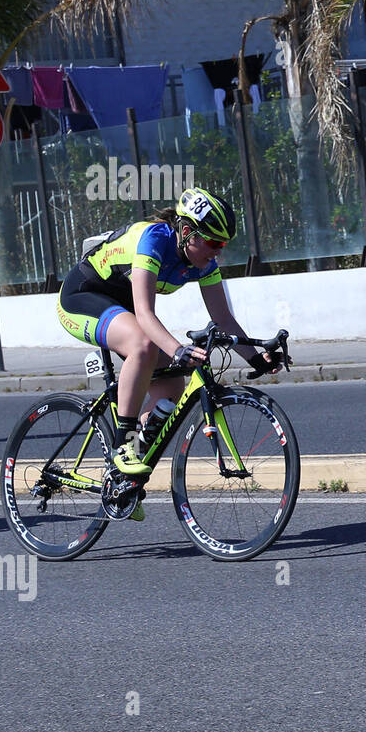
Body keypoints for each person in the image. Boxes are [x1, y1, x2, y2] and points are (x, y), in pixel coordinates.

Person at [56, 188, 276, 513]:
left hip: (121, 308)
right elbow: (144, 314)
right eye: (213, 243)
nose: (217, 252)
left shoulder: (202, 261)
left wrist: (257, 356)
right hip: (82, 297)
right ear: (188, 232)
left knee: (172, 383)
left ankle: (120, 477)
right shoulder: (154, 240)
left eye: (223, 245)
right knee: (143, 345)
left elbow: (223, 318)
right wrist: (177, 349)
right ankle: (122, 448)